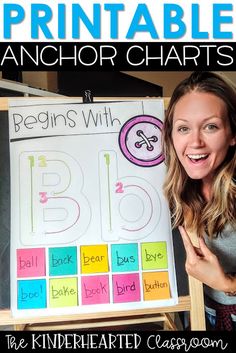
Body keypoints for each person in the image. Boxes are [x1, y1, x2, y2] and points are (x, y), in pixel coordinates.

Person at [163, 71, 236, 330]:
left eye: (211, 126)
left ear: (232, 134)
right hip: (198, 314)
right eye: (183, 128)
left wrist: (226, 283)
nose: (195, 141)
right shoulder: (174, 190)